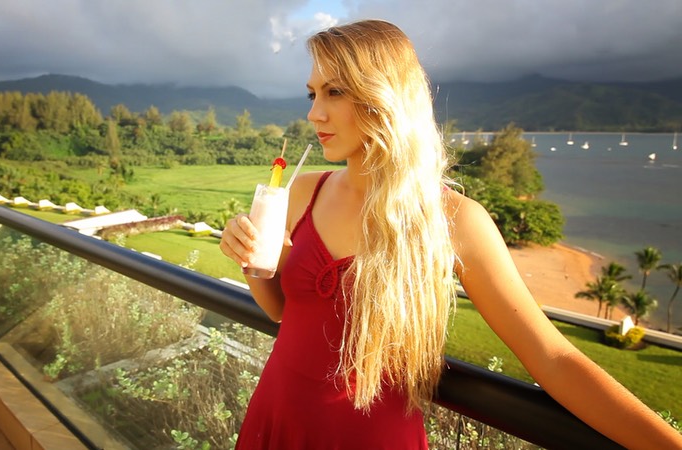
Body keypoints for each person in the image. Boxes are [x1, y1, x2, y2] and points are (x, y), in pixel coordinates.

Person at [219, 19, 682, 450]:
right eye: (312, 94)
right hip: (275, 418)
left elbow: (551, 357)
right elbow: (282, 312)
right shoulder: (303, 191)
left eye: (334, 92)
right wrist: (251, 260)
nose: (314, 113)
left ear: (383, 96)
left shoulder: (454, 220)